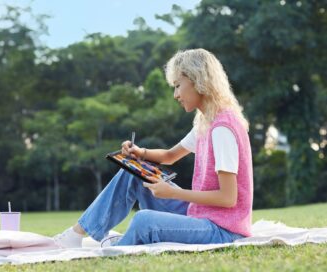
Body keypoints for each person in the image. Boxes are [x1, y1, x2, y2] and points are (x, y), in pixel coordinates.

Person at [52, 48, 253, 248]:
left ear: (197, 80)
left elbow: (228, 198)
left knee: (144, 221)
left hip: (223, 231)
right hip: (201, 214)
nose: (175, 95)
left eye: (177, 86)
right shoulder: (206, 123)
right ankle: (77, 234)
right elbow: (169, 155)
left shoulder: (222, 129)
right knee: (133, 174)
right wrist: (141, 153)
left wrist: (173, 193)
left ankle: (117, 246)